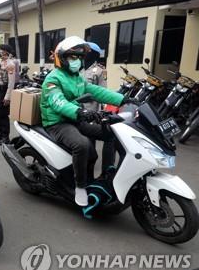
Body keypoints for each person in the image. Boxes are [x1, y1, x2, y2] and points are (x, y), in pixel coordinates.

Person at [40, 36, 134, 206]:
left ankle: (108, 172)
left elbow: (96, 91)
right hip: (58, 123)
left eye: (80, 57)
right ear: (62, 58)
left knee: (112, 133)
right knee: (82, 145)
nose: (77, 61)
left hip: (75, 119)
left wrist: (124, 100)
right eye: (72, 57)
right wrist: (80, 112)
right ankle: (80, 186)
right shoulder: (52, 79)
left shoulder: (77, 77)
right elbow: (58, 102)